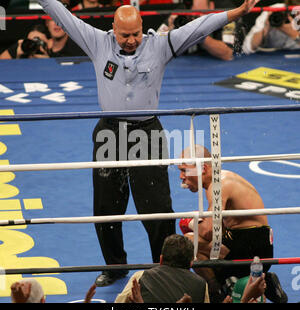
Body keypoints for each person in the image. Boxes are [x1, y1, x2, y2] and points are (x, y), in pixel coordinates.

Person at [37, 0, 261, 287]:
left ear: (142, 29)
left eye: (136, 34)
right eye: (124, 35)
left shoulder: (160, 45)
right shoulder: (96, 41)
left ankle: (163, 267)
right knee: (106, 208)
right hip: (109, 133)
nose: (131, 41)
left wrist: (236, 13)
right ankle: (115, 267)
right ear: (113, 30)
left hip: (147, 133)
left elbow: (198, 26)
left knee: (157, 208)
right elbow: (62, 15)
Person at [178, 144, 287, 303]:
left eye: (184, 170)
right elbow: (217, 229)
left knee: (188, 242)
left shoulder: (218, 185)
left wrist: (188, 222)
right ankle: (261, 283)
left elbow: (209, 231)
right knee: (199, 244)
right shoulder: (221, 179)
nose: (181, 176)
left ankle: (220, 292)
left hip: (251, 244)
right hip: (252, 241)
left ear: (202, 168)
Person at [114, 234, 209, 303]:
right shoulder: (201, 284)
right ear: (191, 263)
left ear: (160, 259)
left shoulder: (140, 276)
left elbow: (118, 304)